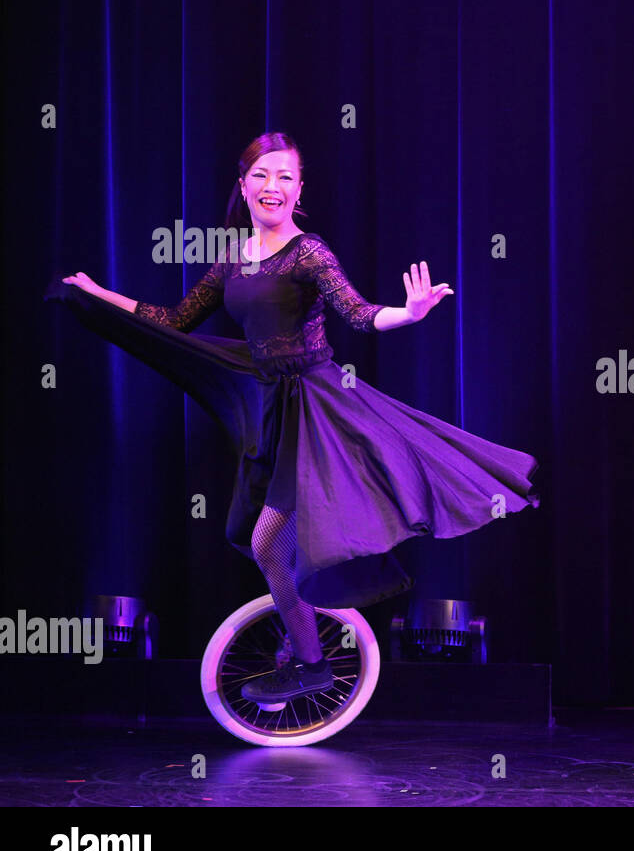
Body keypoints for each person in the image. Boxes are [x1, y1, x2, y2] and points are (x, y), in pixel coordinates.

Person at [51, 132, 539, 703]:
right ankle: (305, 646)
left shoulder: (310, 253)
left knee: (267, 542)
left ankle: (311, 661)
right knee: (267, 544)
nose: (272, 187)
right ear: (243, 186)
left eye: (284, 177)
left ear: (299, 189)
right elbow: (176, 318)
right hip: (270, 407)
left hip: (316, 405)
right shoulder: (232, 259)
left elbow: (358, 314)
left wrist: (408, 313)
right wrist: (98, 294)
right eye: (261, 175)